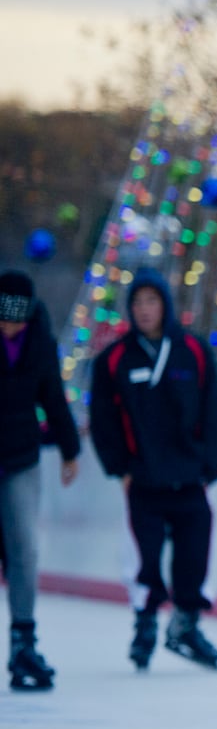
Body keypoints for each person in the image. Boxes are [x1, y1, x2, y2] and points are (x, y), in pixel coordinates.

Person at [89, 268, 217, 671]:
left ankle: (185, 623)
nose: (145, 310)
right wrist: (120, 468)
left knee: (195, 553)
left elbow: (210, 412)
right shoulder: (113, 359)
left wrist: (211, 465)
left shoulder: (194, 352)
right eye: (137, 303)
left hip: (189, 477)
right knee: (142, 558)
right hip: (143, 479)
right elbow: (102, 421)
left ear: (165, 305)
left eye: (152, 301)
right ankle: (145, 622)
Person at [0, 271, 81, 691]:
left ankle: (23, 641)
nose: (9, 327)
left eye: (16, 320)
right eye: (3, 320)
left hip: (21, 458)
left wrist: (70, 449)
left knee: (24, 549)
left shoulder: (39, 342)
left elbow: (52, 395)